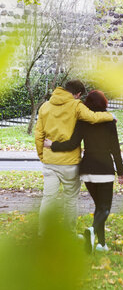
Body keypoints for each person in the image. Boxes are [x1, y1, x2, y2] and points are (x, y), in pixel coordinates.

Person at [44, 90, 123, 252]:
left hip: (87, 169)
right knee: (105, 208)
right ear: (104, 103)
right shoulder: (109, 121)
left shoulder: (83, 121)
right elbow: (115, 149)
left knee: (99, 207)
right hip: (104, 169)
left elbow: (73, 143)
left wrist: (52, 144)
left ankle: (102, 245)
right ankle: (91, 231)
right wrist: (121, 172)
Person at [35, 80, 114, 236]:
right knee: (70, 200)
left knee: (48, 199)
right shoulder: (76, 105)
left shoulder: (45, 106)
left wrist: (42, 156)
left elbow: (39, 134)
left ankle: (42, 233)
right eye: (79, 96)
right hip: (70, 163)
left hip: (50, 162)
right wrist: (110, 116)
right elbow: (92, 117)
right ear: (77, 94)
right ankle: (69, 233)